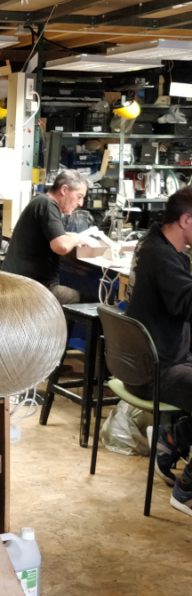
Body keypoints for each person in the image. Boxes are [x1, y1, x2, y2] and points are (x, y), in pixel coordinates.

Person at [126, 186, 192, 517]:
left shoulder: (157, 244)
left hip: (162, 356)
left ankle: (172, 439)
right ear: (186, 220)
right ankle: (187, 491)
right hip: (154, 369)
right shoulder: (161, 256)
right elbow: (187, 303)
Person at [2, 169, 88, 305]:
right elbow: (61, 246)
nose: (80, 203)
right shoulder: (48, 204)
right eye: (79, 196)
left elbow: (53, 235)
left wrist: (69, 236)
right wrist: (76, 238)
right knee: (88, 300)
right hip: (32, 288)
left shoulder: (40, 201)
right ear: (64, 190)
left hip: (19, 282)